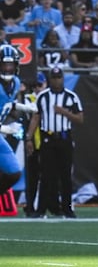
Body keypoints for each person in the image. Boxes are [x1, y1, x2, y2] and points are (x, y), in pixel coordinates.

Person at [26, 66, 82, 219]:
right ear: (50, 79)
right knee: (46, 175)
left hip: (64, 138)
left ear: (62, 78)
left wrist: (64, 112)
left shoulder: (71, 97)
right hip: (47, 138)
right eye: (53, 78)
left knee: (65, 176)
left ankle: (68, 209)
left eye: (58, 77)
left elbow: (80, 119)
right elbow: (36, 118)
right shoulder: (43, 97)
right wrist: (29, 137)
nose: (56, 80)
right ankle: (41, 209)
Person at [0, 46, 37, 200]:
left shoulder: (15, 82)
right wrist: (6, 129)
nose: (8, 68)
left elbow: (8, 103)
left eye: (10, 65)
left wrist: (26, 107)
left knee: (14, 173)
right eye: (4, 64)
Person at [22, 72, 47, 216]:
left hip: (47, 142)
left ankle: (44, 206)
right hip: (33, 142)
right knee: (32, 177)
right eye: (35, 86)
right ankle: (31, 206)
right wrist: (28, 139)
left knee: (47, 177)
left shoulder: (49, 98)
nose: (37, 88)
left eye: (40, 85)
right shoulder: (28, 99)